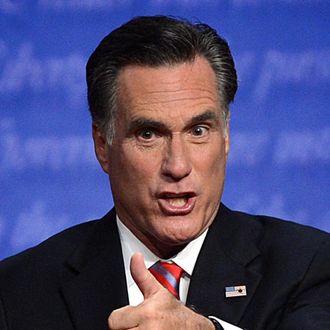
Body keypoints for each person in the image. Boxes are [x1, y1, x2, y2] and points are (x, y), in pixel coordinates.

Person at [0, 15, 329, 330]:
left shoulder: (309, 266)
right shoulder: (18, 290)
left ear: (226, 136)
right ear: (102, 144)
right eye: (148, 134)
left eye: (198, 130)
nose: (178, 166)